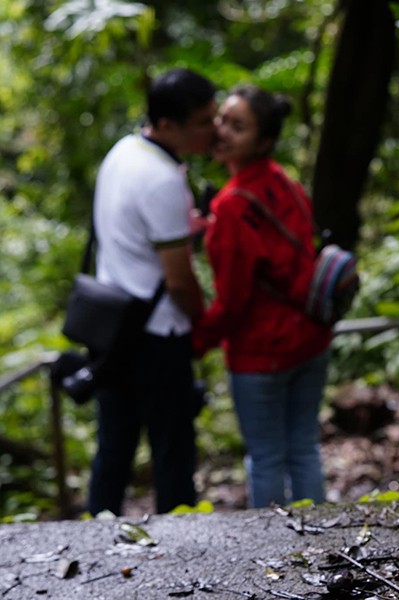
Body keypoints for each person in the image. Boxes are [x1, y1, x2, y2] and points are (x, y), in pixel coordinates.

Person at [193, 84, 332, 507]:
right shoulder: (285, 183)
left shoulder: (233, 206)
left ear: (264, 140)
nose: (222, 132)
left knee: (267, 458)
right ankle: (323, 549)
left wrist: (195, 341)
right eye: (222, 121)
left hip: (260, 353)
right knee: (304, 449)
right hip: (311, 338)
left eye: (237, 126)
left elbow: (233, 300)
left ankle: (276, 564)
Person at [88, 67, 217, 516]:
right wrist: (203, 324)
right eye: (203, 121)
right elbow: (180, 280)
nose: (213, 130)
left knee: (113, 448)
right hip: (158, 335)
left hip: (113, 327)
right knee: (173, 452)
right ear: (167, 126)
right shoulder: (163, 177)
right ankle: (178, 557)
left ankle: (93, 540)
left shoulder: (123, 151)